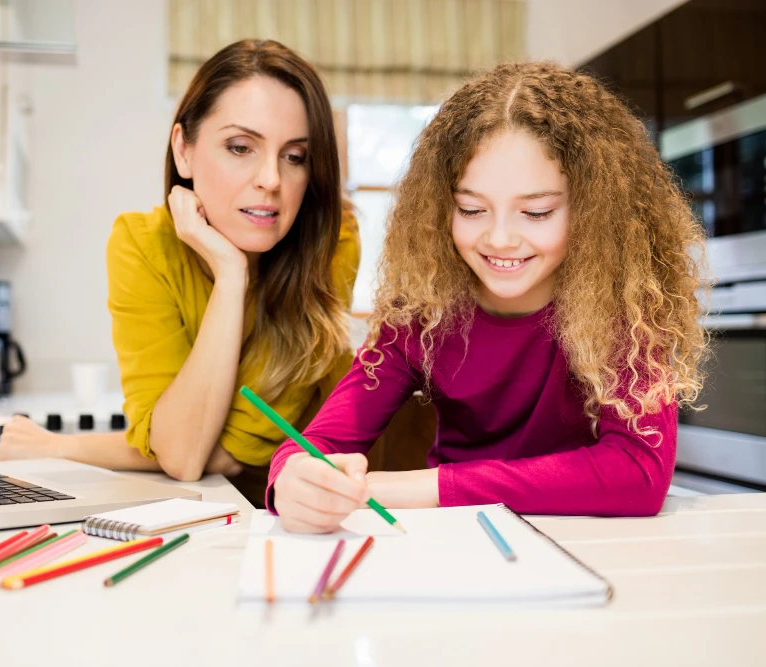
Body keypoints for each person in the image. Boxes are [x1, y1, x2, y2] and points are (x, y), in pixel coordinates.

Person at [268, 61, 708, 531]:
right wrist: (292, 480)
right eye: (472, 209)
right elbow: (312, 447)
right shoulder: (420, 315)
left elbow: (638, 472)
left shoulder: (624, 308)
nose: (500, 239)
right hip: (455, 540)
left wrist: (426, 487)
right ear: (443, 207)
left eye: (536, 212)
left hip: (587, 541)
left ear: (592, 210)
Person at [0, 39, 360, 508]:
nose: (271, 179)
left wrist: (60, 447)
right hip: (197, 514)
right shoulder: (142, 245)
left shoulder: (333, 244)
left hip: (317, 508)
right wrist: (231, 279)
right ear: (184, 151)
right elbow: (184, 454)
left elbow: (213, 454)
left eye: (295, 156)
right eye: (240, 147)